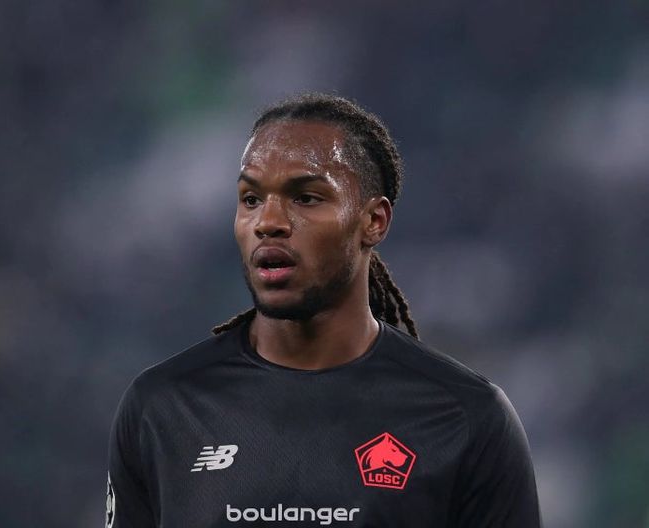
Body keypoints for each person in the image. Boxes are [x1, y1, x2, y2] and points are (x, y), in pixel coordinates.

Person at [106, 93, 541, 527]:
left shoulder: (465, 416)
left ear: (374, 222)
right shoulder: (162, 408)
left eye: (306, 198)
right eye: (251, 199)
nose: (268, 222)